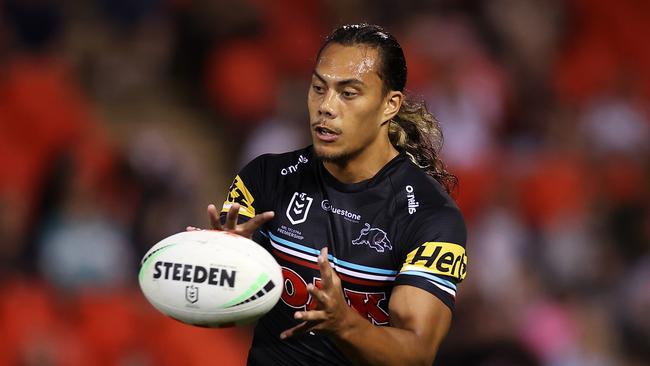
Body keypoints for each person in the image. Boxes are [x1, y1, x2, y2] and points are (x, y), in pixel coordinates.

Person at [202, 23, 467, 365]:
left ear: (390, 105)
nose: (325, 106)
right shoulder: (265, 178)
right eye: (318, 88)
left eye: (348, 92)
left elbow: (417, 353)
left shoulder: (432, 218)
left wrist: (345, 325)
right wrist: (222, 265)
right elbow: (225, 311)